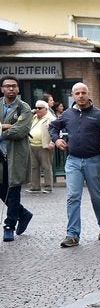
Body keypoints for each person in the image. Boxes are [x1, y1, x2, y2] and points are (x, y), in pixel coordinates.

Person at [49, 83, 100, 248]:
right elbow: (53, 127)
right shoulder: (67, 114)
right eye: (77, 93)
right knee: (73, 197)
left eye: (83, 92)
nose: (81, 95)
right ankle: (72, 235)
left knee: (96, 196)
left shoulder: (99, 115)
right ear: (73, 95)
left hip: (94, 160)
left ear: (88, 94)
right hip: (73, 161)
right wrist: (56, 139)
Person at [0, 76, 33, 242]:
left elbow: (21, 130)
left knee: (13, 191)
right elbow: (15, 128)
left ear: (18, 88)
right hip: (1, 155)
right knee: (2, 190)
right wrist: (5, 126)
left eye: (14, 86)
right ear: (2, 89)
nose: (11, 89)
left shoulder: (23, 107)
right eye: (7, 86)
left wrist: (1, 130)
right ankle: (23, 213)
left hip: (16, 155)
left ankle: (9, 226)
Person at [27, 100, 55, 193]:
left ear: (46, 109)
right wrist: (30, 113)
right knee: (34, 167)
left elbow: (57, 131)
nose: (37, 109)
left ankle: (48, 187)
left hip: (44, 146)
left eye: (39, 108)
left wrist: (52, 142)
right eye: (36, 108)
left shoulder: (51, 118)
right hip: (32, 145)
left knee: (46, 167)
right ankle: (35, 186)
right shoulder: (34, 116)